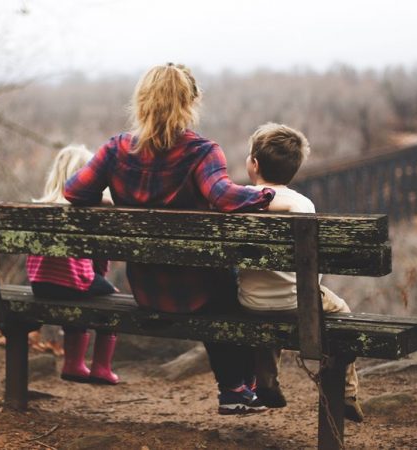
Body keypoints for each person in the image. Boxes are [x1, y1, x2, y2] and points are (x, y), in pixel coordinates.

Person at [64, 63, 285, 414]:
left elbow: (73, 191)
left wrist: (105, 199)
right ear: (188, 103)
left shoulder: (115, 150)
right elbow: (224, 197)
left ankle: (240, 389)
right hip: (199, 292)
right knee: (230, 289)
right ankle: (237, 389)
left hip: (147, 290)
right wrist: (268, 196)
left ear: (141, 102)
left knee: (220, 286)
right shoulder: (201, 152)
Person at [238, 123, 364, 422]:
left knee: (266, 312)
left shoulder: (238, 200)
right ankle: (346, 392)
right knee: (342, 312)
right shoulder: (303, 204)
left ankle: (266, 383)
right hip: (300, 302)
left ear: (253, 164)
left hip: (251, 302)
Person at [26, 145, 119, 385]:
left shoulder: (40, 208)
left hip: (40, 285)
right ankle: (101, 368)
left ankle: (73, 364)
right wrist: (99, 277)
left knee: (78, 293)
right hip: (74, 283)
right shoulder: (86, 210)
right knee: (112, 300)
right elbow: (99, 256)